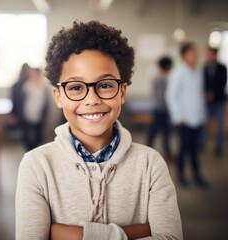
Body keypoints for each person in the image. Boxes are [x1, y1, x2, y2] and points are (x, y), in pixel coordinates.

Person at [16, 20, 183, 240]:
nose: (92, 99)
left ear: (122, 92)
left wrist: (68, 234)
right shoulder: (36, 165)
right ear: (58, 96)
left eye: (105, 85)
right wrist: (137, 232)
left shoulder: (150, 164)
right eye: (76, 87)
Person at [166, 42, 208, 188]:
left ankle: (197, 175)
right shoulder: (178, 72)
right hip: (184, 119)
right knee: (183, 149)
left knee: (195, 150)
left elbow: (199, 95)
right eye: (192, 53)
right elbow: (171, 96)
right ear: (184, 55)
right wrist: (178, 116)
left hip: (197, 117)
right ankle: (181, 176)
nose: (195, 56)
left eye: (196, 53)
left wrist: (203, 115)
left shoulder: (197, 71)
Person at [146, 56, 173, 163]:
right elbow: (162, 96)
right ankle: (148, 153)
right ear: (168, 66)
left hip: (158, 109)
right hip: (161, 110)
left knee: (159, 132)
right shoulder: (161, 79)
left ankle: (167, 154)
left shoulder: (158, 77)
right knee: (157, 132)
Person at [203, 46, 227, 157]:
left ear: (215, 54)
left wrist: (213, 93)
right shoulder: (205, 67)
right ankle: (202, 145)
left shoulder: (222, 68)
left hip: (219, 101)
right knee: (204, 124)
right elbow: (203, 83)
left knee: (220, 125)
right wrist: (206, 93)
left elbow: (222, 83)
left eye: (210, 54)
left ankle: (219, 147)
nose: (208, 56)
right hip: (207, 102)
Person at [22, 67, 50, 150]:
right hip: (27, 113)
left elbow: (46, 103)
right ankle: (29, 149)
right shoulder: (26, 86)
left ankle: (35, 148)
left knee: (38, 135)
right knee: (27, 134)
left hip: (39, 115)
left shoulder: (44, 87)